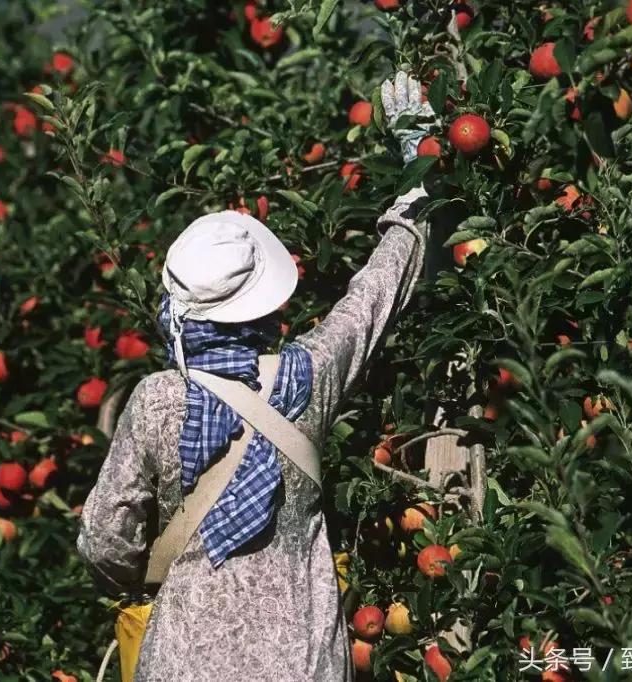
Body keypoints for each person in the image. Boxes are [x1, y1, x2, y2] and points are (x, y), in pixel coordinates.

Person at [76, 72, 437, 681]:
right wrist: (418, 173)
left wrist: (147, 572)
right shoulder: (310, 374)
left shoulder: (157, 401)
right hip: (302, 661)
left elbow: (104, 540)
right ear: (263, 305)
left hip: (184, 663)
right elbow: (381, 286)